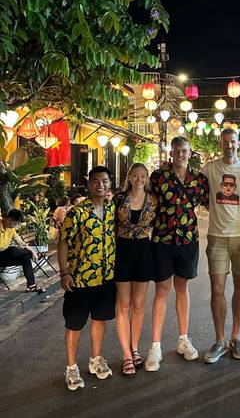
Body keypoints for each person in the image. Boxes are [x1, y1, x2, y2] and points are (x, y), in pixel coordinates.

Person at [146, 137, 208, 371]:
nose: (181, 154)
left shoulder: (198, 179)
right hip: (162, 239)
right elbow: (148, 205)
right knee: (161, 290)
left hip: (188, 239)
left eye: (184, 151)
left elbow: (211, 201)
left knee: (183, 288)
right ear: (171, 153)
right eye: (177, 151)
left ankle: (183, 338)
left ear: (190, 153)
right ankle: (155, 346)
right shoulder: (158, 177)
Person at [58, 166, 116, 391]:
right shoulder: (77, 212)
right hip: (80, 279)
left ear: (109, 183)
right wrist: (64, 273)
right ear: (88, 183)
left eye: (104, 181)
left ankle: (96, 359)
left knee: (100, 319)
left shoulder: (112, 209)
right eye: (95, 181)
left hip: (106, 277)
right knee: (74, 324)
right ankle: (71, 367)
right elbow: (63, 241)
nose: (100, 185)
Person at [201, 127, 240, 363]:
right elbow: (194, 190)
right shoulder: (209, 169)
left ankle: (236, 336)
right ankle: (220, 340)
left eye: (233, 141)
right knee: (217, 288)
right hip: (217, 235)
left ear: (238, 143)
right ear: (220, 143)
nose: (229, 145)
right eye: (225, 142)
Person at [114, 163, 157, 377]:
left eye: (143, 176)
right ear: (129, 177)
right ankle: (126, 355)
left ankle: (135, 347)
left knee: (139, 305)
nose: (139, 179)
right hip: (122, 250)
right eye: (136, 176)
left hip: (143, 249)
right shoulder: (119, 199)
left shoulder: (153, 200)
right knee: (123, 304)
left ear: (147, 178)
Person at [0, 209, 45, 292]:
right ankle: (28, 254)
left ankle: (31, 285)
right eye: (15, 223)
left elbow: (20, 242)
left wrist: (32, 251)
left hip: (4, 257)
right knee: (13, 249)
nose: (16, 226)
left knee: (25, 258)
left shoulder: (11, 228)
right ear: (9, 219)